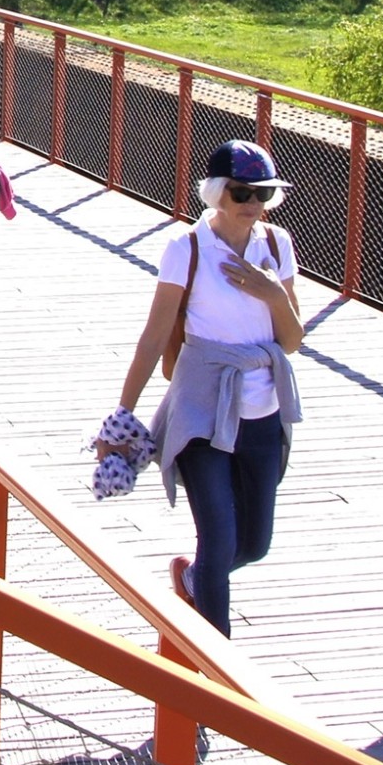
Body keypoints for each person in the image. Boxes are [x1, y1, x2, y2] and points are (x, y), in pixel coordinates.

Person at [99, 140, 304, 639]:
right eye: (242, 192)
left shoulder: (275, 245)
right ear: (217, 194)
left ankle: (192, 579)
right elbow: (153, 337)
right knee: (218, 540)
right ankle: (217, 683)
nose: (253, 203)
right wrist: (122, 414)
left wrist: (273, 293)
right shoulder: (185, 248)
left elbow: (293, 340)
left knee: (254, 544)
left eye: (263, 193)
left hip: (261, 408)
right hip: (199, 406)